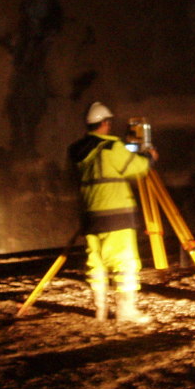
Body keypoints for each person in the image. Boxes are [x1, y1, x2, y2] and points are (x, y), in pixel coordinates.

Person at [68, 102, 159, 322]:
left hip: (91, 214)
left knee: (96, 262)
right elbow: (135, 167)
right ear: (106, 124)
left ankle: (100, 309)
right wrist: (149, 158)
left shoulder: (78, 151)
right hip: (115, 215)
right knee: (125, 262)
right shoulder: (111, 147)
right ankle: (125, 311)